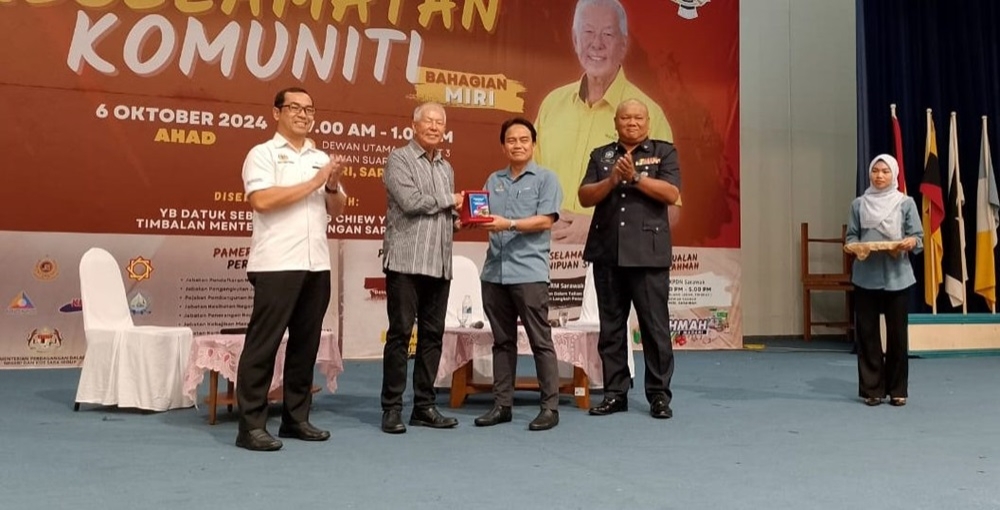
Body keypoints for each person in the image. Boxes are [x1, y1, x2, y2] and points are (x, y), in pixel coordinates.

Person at [235, 87, 347, 451]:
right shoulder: (262, 154)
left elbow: (338, 209)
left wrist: (330, 185)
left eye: (309, 109)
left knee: (306, 345)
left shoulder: (319, 156)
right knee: (263, 345)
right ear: (276, 112)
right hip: (277, 263)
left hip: (316, 263)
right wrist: (315, 181)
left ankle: (296, 419)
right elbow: (263, 200)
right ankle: (250, 425)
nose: (303, 114)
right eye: (294, 108)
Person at [535, 0, 676, 245]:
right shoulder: (551, 105)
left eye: (608, 34)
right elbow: (528, 183)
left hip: (614, 264)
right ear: (575, 39)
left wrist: (600, 225)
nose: (597, 43)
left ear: (623, 44)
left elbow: (669, 211)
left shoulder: (650, 115)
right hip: (546, 263)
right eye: (588, 32)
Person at [580, 98, 680, 419]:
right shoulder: (602, 155)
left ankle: (659, 396)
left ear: (648, 122)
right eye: (626, 118)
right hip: (607, 252)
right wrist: (612, 180)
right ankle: (615, 393)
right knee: (611, 328)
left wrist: (636, 178)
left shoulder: (664, 152)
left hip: (648, 255)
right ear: (616, 121)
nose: (632, 123)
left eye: (638, 118)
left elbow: (671, 194)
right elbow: (584, 196)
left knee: (655, 328)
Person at [467, 118, 563, 431]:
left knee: (540, 341)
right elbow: (482, 216)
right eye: (511, 140)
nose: (517, 145)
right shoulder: (493, 179)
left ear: (533, 144)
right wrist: (466, 218)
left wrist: (507, 223)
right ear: (503, 145)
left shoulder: (546, 179)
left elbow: (545, 221)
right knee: (502, 342)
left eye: (524, 139)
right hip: (494, 271)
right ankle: (502, 405)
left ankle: (549, 407)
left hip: (529, 272)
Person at [380, 102, 464, 434]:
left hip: (439, 262)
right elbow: (411, 202)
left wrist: (461, 218)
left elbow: (448, 213)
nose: (434, 126)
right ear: (413, 125)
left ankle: (424, 406)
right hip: (406, 260)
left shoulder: (446, 167)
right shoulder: (398, 159)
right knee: (400, 335)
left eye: (440, 122)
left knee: (432, 336)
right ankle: (391, 408)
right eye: (428, 121)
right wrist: (451, 202)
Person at [845, 154, 922, 407]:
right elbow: (851, 237)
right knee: (867, 334)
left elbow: (917, 237)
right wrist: (855, 247)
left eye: (885, 171)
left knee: (898, 335)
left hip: (897, 277)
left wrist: (909, 242)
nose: (879, 176)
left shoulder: (905, 203)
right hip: (865, 276)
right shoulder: (859, 204)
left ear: (894, 174)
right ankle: (872, 390)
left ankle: (898, 390)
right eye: (875, 171)